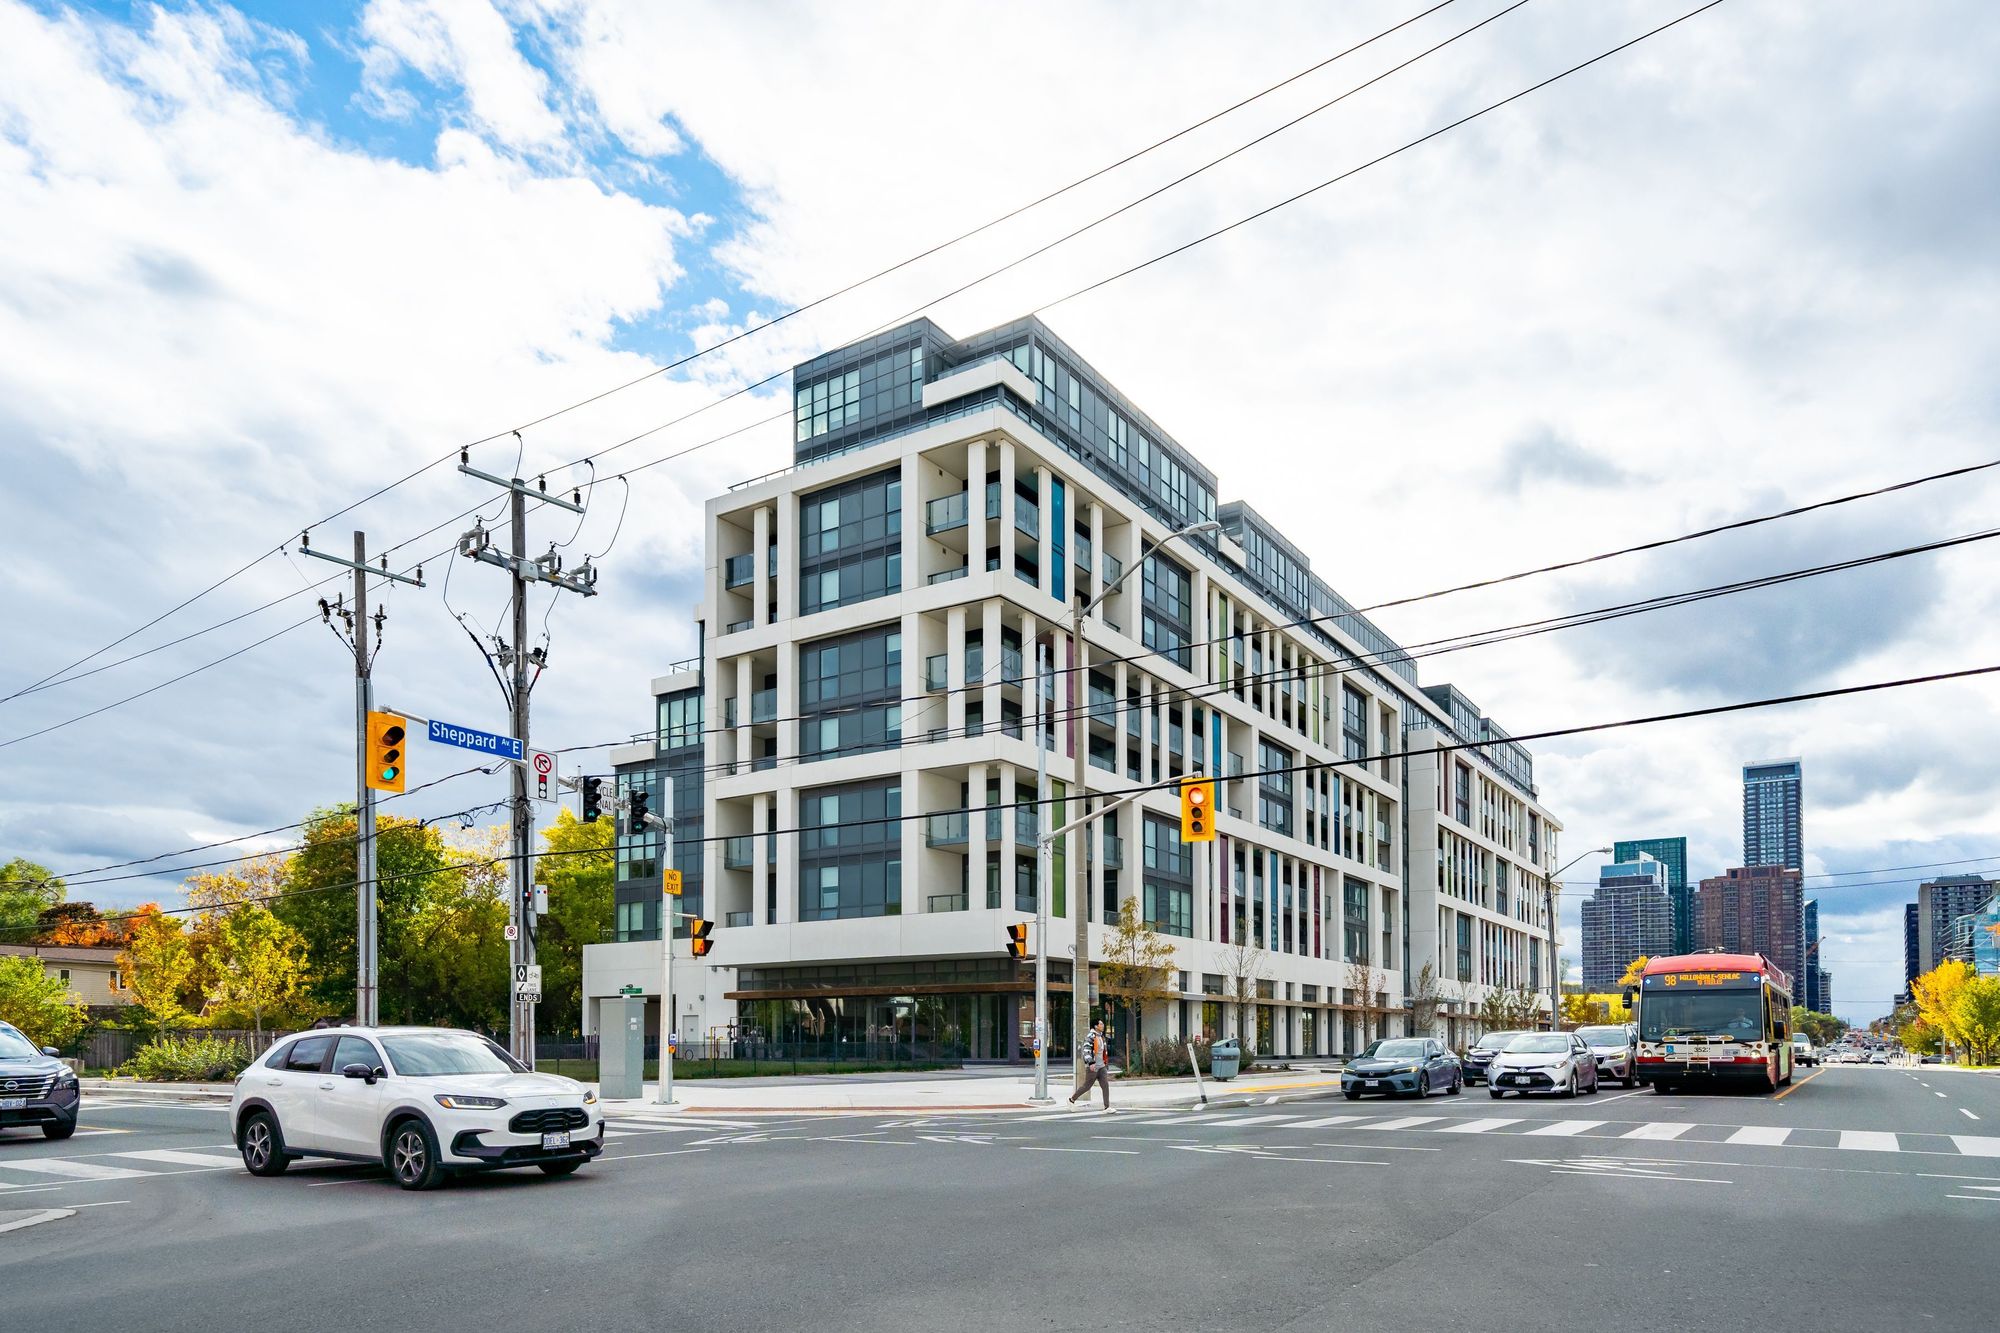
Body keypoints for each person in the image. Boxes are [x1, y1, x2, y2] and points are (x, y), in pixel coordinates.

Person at [1069, 1018, 1114, 1112]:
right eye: (1101, 1024)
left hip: (1101, 1066)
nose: (1103, 1026)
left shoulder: (1101, 1036)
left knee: (1105, 1085)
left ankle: (1107, 1107)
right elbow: (1086, 1050)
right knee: (1087, 1086)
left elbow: (1103, 1052)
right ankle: (1071, 1100)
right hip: (1093, 1066)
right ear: (1096, 1026)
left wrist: (1105, 1063)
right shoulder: (1091, 1036)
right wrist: (1091, 1062)